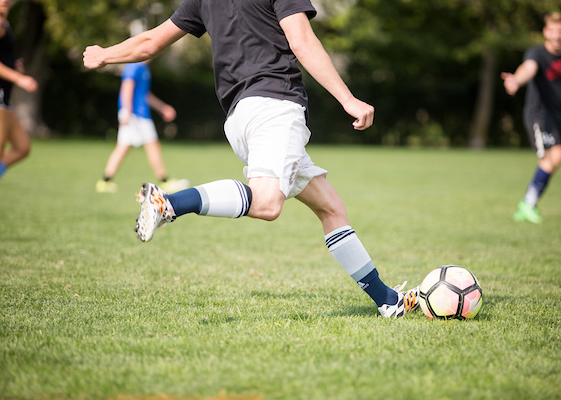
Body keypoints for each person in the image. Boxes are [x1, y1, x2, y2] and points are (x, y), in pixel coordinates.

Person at [83, 0, 420, 318]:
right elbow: (301, 39)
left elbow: (150, 41)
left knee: (331, 207)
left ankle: (387, 301)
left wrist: (104, 54)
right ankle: (168, 203)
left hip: (239, 119)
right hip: (275, 107)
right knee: (268, 203)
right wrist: (347, 99)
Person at [501, 12, 561, 223]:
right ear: (546, 32)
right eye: (552, 31)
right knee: (553, 157)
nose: (556, 35)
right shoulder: (537, 53)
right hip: (539, 115)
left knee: (553, 159)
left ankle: (528, 204)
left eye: (560, 31)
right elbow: (528, 68)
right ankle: (528, 204)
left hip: (560, 115)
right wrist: (516, 80)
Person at [96, 60, 189, 193]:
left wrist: (162, 108)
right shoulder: (134, 66)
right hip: (135, 115)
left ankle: (105, 181)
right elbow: (126, 88)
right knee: (147, 146)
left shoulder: (143, 68)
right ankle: (164, 181)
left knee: (127, 146)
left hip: (140, 114)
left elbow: (145, 95)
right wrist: (126, 111)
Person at [0, 0, 37, 179]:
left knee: (22, 147)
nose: (5, 1)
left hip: (5, 95)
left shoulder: (4, 22)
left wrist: (13, 68)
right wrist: (18, 78)